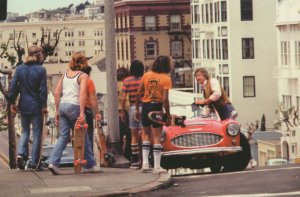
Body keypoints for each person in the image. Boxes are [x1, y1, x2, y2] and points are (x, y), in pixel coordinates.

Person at [48, 52, 99, 175]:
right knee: (83, 135)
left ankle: (53, 163)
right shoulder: (83, 76)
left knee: (64, 136)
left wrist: (57, 110)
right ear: (84, 63)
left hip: (63, 106)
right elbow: (82, 94)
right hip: (75, 106)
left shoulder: (65, 74)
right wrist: (82, 113)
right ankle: (90, 165)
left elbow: (56, 92)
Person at [9, 45, 48, 170]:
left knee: (25, 131)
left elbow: (13, 87)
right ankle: (34, 163)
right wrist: (44, 106)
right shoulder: (41, 70)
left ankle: (21, 154)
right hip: (36, 106)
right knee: (36, 133)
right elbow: (43, 90)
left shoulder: (19, 69)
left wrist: (12, 103)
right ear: (38, 55)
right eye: (41, 53)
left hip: (24, 105)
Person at [135, 55, 173, 174]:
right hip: (157, 106)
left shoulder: (146, 75)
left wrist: (137, 109)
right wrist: (167, 114)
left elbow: (138, 93)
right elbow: (165, 99)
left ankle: (145, 164)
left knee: (145, 134)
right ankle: (157, 167)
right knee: (156, 136)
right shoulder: (166, 78)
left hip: (146, 106)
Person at [120, 60, 144, 169]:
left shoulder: (126, 81)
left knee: (133, 136)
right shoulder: (144, 80)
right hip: (145, 107)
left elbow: (124, 97)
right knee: (145, 135)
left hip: (133, 108)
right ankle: (145, 160)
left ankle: (134, 161)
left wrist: (122, 111)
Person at [81, 65, 101, 153]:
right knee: (89, 134)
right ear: (88, 73)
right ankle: (89, 157)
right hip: (87, 110)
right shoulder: (89, 81)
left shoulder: (77, 80)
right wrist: (96, 113)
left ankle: (79, 156)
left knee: (79, 134)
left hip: (77, 109)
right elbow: (93, 98)